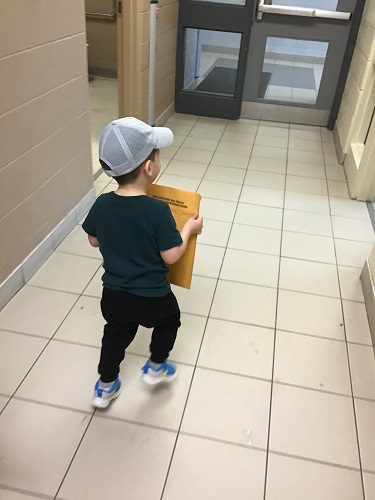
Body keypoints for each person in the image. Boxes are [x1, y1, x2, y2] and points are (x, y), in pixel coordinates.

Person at [82, 117, 203, 408]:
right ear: (149, 168)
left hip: (114, 295)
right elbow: (171, 255)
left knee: (115, 335)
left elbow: (94, 240)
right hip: (152, 296)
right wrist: (188, 229)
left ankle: (105, 386)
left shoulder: (101, 203)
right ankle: (156, 367)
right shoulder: (157, 211)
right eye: (156, 155)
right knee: (169, 322)